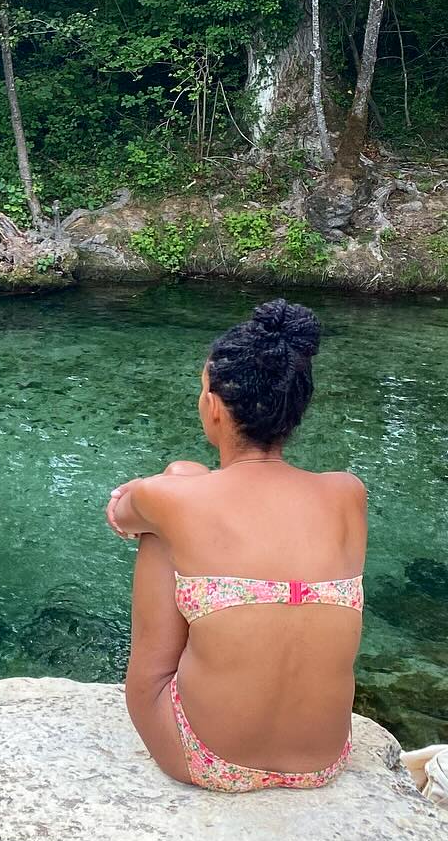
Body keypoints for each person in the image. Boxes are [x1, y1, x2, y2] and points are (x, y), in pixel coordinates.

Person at [105, 298, 366, 792]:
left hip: (205, 758)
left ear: (216, 407)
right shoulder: (347, 494)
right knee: (184, 495)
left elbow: (121, 514)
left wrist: (156, 491)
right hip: (324, 759)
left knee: (172, 500)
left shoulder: (171, 498)